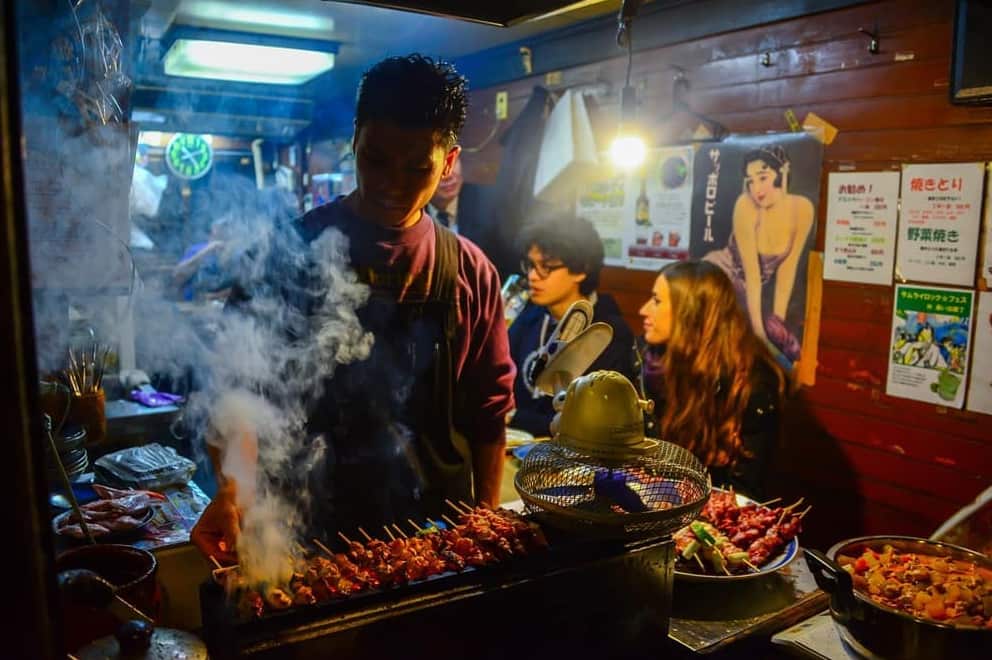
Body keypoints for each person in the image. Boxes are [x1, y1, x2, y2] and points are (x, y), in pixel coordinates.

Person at [191, 54, 516, 562]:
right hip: (303, 530)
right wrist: (233, 490)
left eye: (417, 167)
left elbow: (489, 414)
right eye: (376, 159)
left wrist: (486, 518)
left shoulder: (471, 273)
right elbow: (235, 388)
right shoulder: (286, 251)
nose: (392, 183)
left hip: (435, 541)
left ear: (449, 162)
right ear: (355, 141)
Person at [639, 260, 785, 498]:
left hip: (709, 515)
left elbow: (744, 491)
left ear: (690, 312)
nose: (643, 310)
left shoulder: (751, 384)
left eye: (656, 301)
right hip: (651, 501)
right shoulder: (645, 358)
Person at [508, 215, 637, 437]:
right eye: (530, 265)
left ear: (581, 270)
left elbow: (588, 424)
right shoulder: (530, 316)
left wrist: (513, 416)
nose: (532, 276)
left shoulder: (607, 331)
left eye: (546, 267)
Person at [704, 145, 814, 366]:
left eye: (763, 177)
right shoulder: (746, 206)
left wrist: (777, 326)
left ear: (782, 172)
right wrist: (761, 337)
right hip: (722, 276)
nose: (757, 189)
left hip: (753, 291)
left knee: (782, 350)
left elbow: (787, 270)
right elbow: (752, 276)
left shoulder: (802, 209)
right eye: (751, 180)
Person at [171, 218, 234, 301]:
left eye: (228, 227)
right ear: (213, 230)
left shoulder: (231, 256)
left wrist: (214, 296)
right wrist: (208, 250)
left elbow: (234, 288)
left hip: (216, 307)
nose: (226, 230)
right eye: (223, 227)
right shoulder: (197, 249)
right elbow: (176, 278)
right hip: (191, 305)